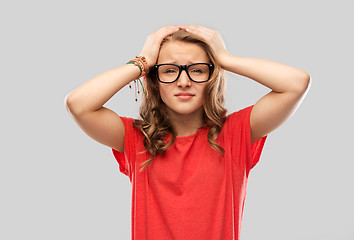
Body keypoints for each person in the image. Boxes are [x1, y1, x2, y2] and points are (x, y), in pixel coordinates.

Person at [65, 25, 311, 240]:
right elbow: (78, 104)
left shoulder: (235, 133)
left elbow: (296, 83)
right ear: (154, 79)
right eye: (170, 70)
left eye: (197, 69)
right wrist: (141, 62)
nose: (183, 81)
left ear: (211, 77)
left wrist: (224, 58)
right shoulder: (137, 140)